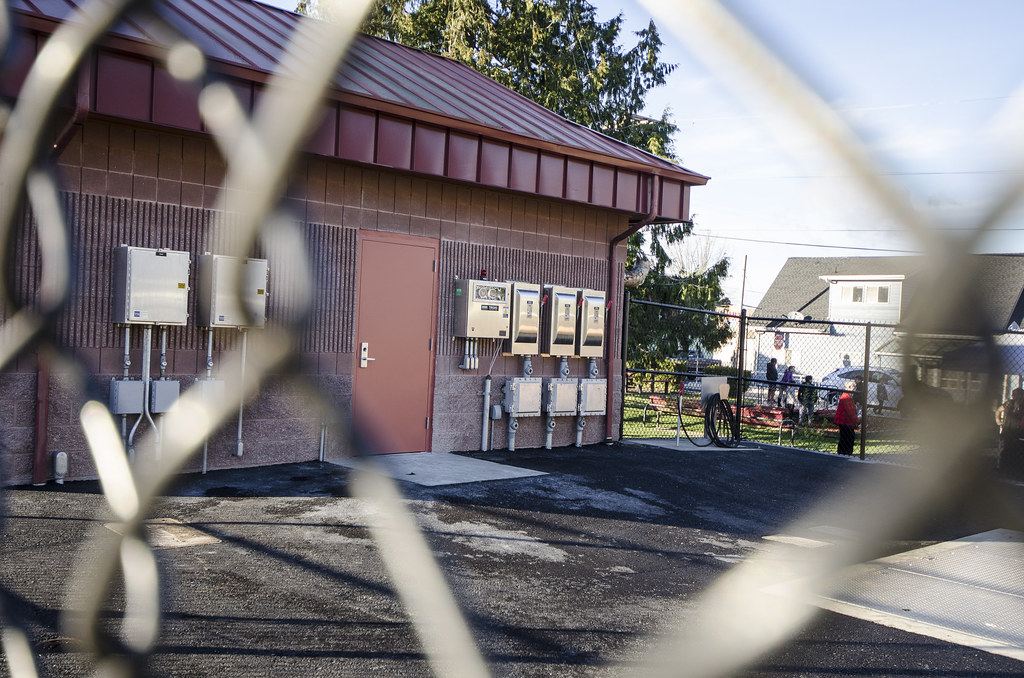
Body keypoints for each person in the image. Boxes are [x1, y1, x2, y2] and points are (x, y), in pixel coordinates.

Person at [995, 388, 1024, 473]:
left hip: (1019, 431)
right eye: (1013, 395)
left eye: (1017, 395)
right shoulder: (1009, 404)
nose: (1014, 397)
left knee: (1017, 449)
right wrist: (998, 420)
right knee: (1006, 448)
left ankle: (1015, 468)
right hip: (1008, 429)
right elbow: (998, 410)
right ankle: (1004, 467)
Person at [834, 381, 859, 456]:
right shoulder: (846, 397)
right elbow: (849, 411)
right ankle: (845, 452)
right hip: (845, 421)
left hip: (845, 420)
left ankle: (843, 452)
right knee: (848, 437)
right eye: (853, 386)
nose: (854, 388)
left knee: (845, 437)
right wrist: (856, 420)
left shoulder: (847, 396)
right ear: (849, 387)